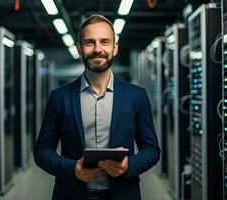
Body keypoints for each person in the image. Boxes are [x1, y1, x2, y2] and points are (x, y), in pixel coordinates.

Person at [34, 14, 160, 200]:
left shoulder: (136, 96)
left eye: (104, 42)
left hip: (123, 193)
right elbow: (42, 151)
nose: (98, 49)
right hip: (71, 194)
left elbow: (151, 149)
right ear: (79, 48)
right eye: (90, 42)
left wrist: (128, 166)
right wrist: (73, 169)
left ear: (115, 47)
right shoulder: (59, 97)